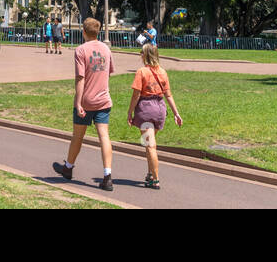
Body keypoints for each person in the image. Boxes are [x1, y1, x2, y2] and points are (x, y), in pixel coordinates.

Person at [53, 17, 115, 191]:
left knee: (78, 136)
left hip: (86, 101)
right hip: (103, 100)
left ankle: (68, 168)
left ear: (83, 32)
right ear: (98, 32)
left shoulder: (81, 50)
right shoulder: (106, 49)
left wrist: (79, 102)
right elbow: (108, 73)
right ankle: (107, 175)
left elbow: (80, 78)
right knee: (104, 136)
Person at [126, 43, 183, 189]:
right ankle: (150, 174)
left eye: (141, 52)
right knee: (150, 144)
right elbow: (168, 95)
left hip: (146, 110)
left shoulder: (142, 72)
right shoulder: (163, 72)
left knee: (150, 146)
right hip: (160, 110)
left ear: (145, 55)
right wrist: (176, 113)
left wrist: (130, 112)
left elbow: (136, 95)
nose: (140, 55)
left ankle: (155, 179)